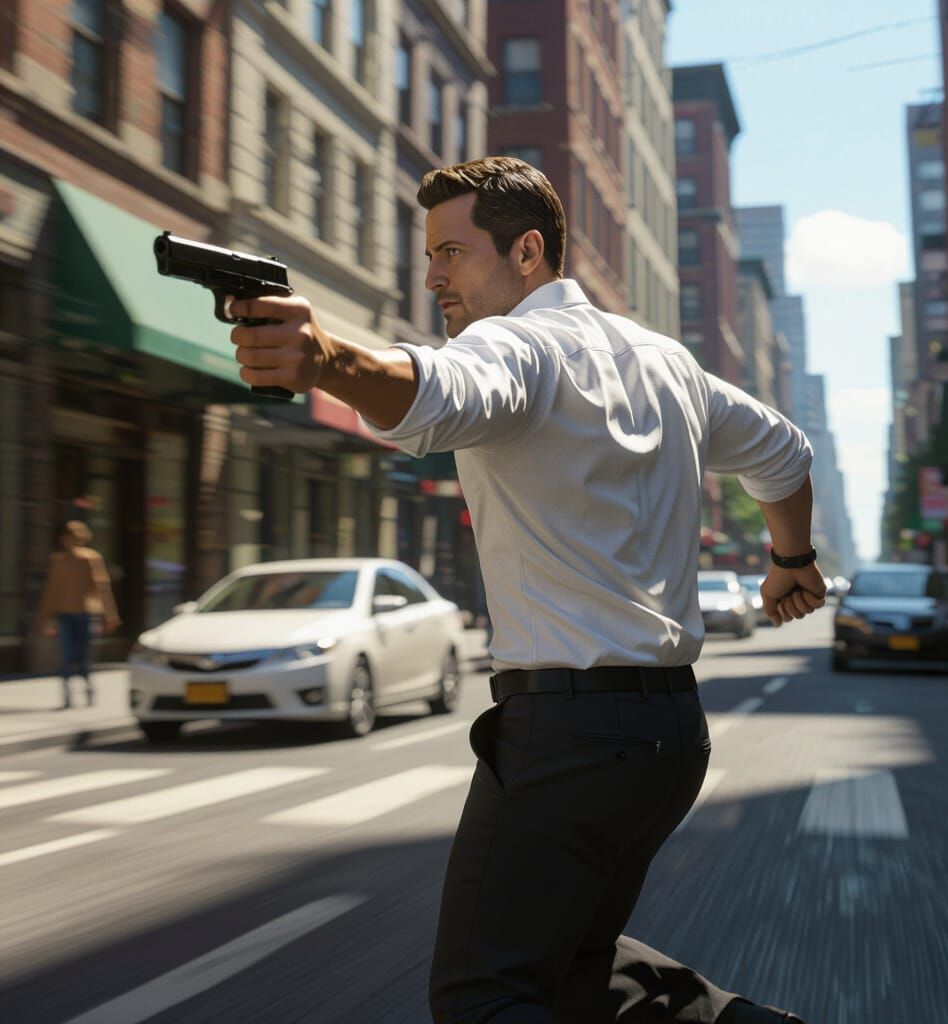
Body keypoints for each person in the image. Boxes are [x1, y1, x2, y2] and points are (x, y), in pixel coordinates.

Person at [226, 157, 822, 1023]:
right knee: (577, 967)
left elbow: (438, 392)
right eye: (429, 254)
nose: (432, 274)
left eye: (453, 252)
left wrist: (324, 355)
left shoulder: (516, 346)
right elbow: (785, 455)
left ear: (528, 253)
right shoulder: (666, 362)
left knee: (485, 996)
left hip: (569, 738)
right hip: (669, 736)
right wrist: (792, 559)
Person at [36, 520, 121, 708]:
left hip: (87, 614)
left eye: (78, 539)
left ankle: (88, 687)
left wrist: (110, 614)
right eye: (71, 538)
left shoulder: (90, 558)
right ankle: (67, 693)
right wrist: (45, 619)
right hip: (64, 614)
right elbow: (51, 591)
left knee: (85, 655)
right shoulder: (57, 561)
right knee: (67, 655)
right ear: (64, 540)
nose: (74, 543)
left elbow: (102, 588)